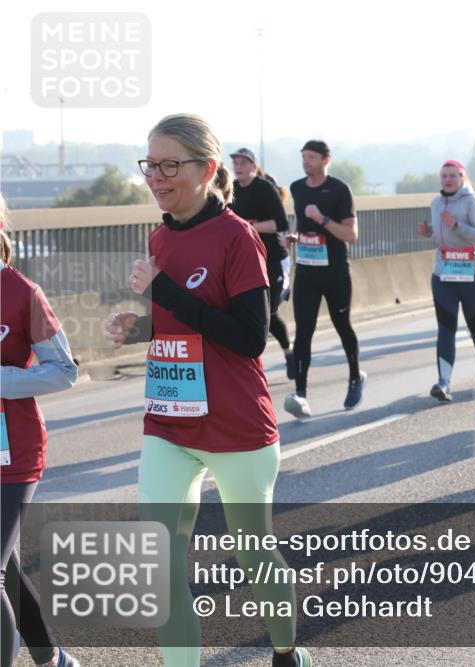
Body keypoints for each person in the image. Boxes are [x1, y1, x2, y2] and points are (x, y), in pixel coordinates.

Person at [104, 113, 311, 667]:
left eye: (170, 165)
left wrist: (165, 290)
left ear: (207, 169)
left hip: (236, 425)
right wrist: (140, 325)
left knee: (254, 554)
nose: (157, 176)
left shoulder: (237, 238)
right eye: (151, 165)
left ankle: (287, 652)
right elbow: (179, 321)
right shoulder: (160, 237)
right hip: (170, 423)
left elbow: (247, 338)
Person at [1, 197, 80, 667]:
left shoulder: (21, 292)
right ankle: (51, 659)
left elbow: (64, 371)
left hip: (14, 454)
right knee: (6, 569)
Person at [285, 139, 366, 418]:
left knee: (342, 325)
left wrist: (321, 219)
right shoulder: (296, 188)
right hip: (306, 271)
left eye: (311, 157)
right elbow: (301, 222)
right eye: (303, 157)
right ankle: (301, 394)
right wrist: (294, 236)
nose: (306, 162)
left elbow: (351, 236)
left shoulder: (340, 190)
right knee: (303, 333)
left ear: (325, 160)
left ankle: (356, 377)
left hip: (335, 272)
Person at [416, 160, 475, 401]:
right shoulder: (436, 202)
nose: (448, 179)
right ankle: (444, 383)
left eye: (453, 175)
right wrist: (428, 230)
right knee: (446, 327)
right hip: (444, 273)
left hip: (471, 273)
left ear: (462, 177)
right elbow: (441, 231)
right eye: (444, 176)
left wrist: (458, 225)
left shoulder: (472, 201)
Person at [229, 147, 294, 379]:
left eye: (244, 163)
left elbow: (281, 223)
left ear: (253, 166)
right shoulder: (231, 190)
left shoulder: (264, 188)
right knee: (256, 316)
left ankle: (288, 353)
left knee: (271, 312)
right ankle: (252, 368)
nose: (239, 166)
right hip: (249, 262)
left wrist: (250, 227)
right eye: (235, 162)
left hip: (274, 260)